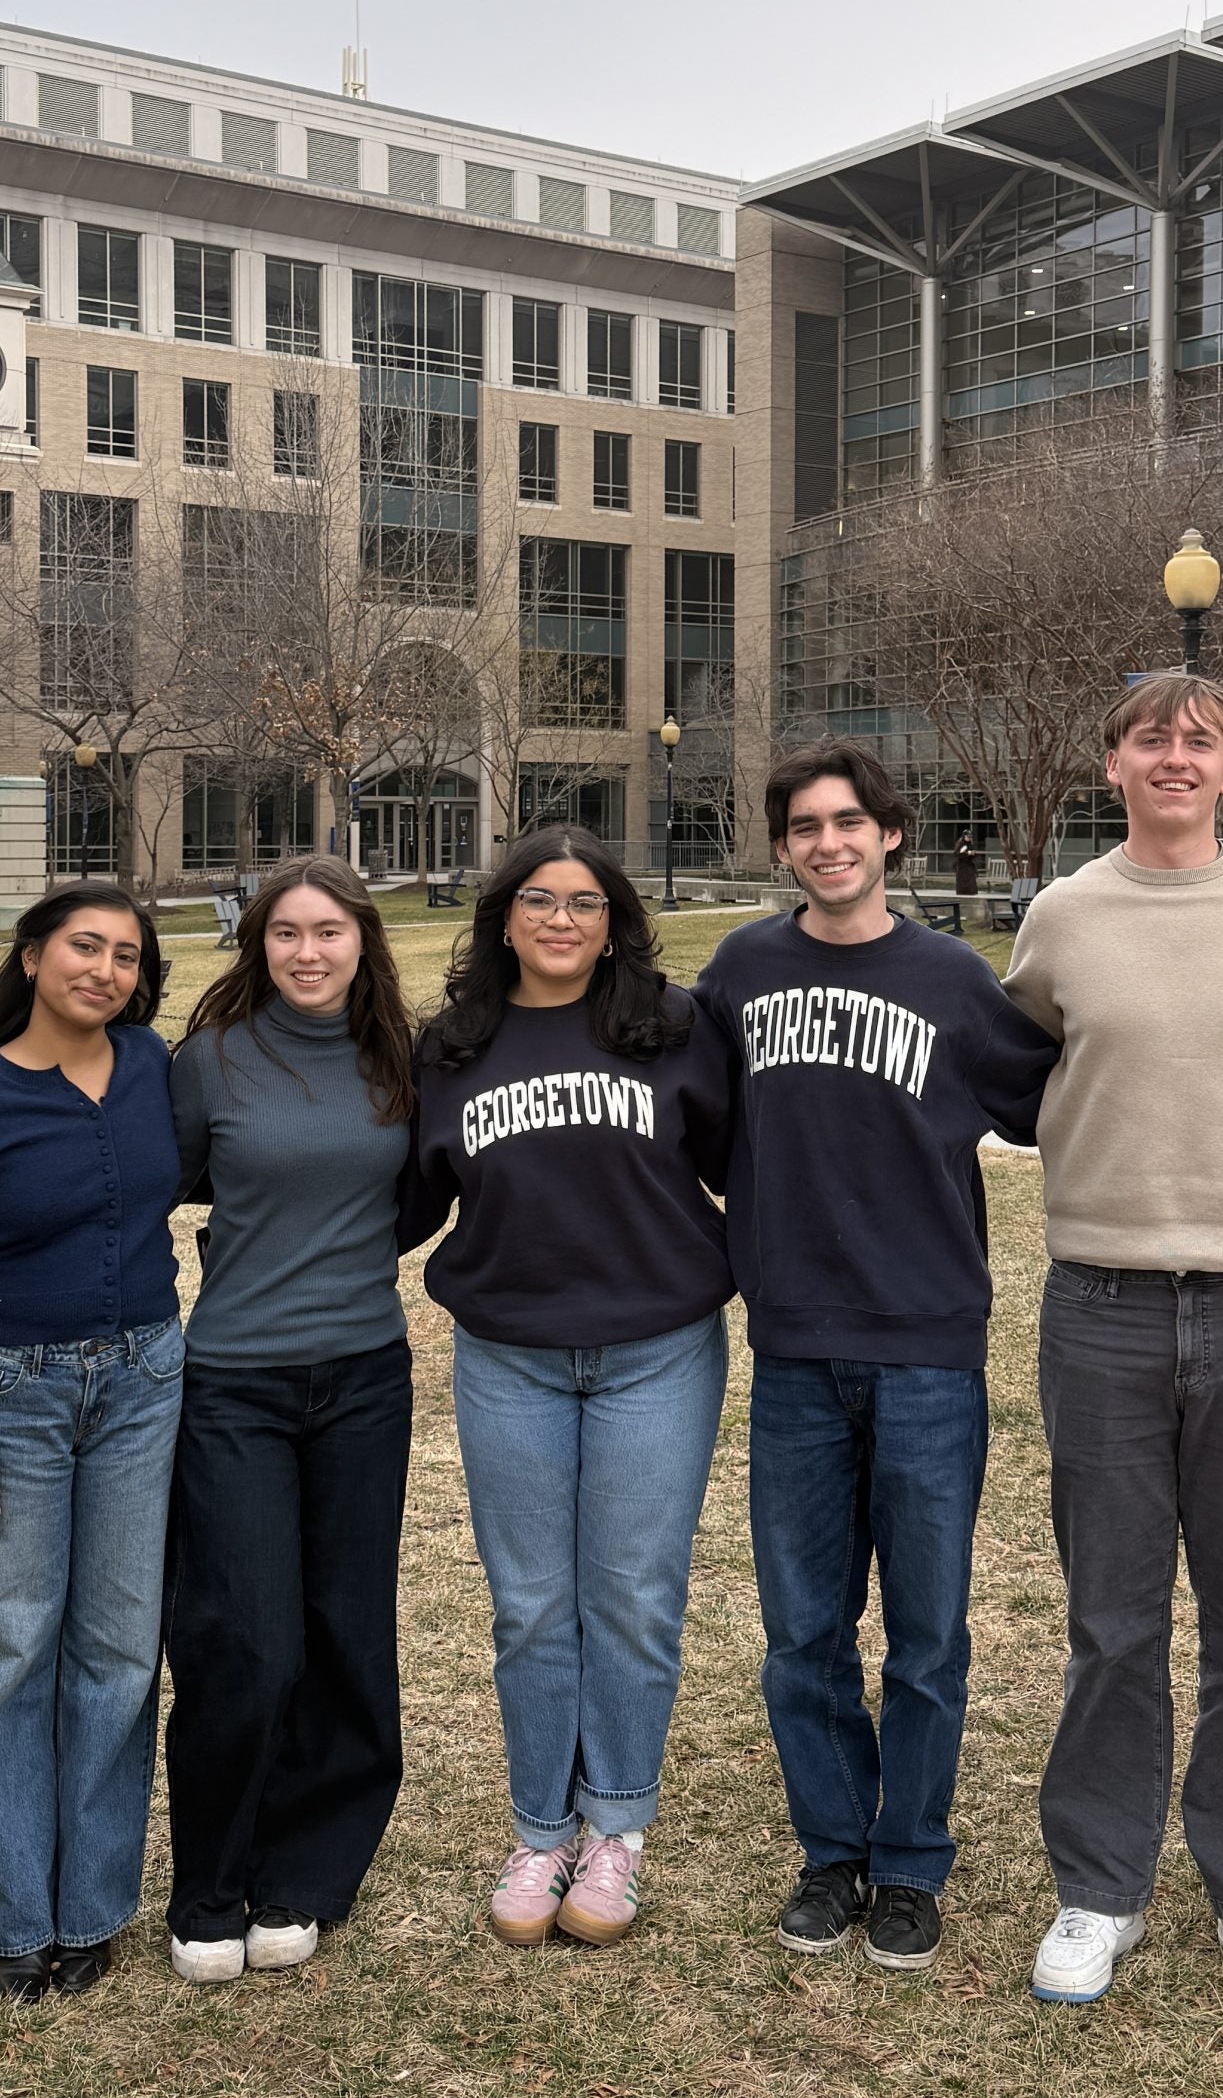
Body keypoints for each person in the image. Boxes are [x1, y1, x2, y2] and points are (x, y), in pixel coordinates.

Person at [694, 743, 1058, 1972]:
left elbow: (1058, 1097)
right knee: (802, 1631)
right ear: (782, 845)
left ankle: (908, 1861)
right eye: (803, 825)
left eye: (848, 820)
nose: (827, 841)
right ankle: (829, 1851)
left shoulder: (951, 976)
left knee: (927, 1632)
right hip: (794, 1348)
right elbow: (682, 1112)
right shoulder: (741, 970)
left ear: (888, 835)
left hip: (926, 1352)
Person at [1003, 672, 1223, 2015]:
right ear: (1110, 763)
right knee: (1112, 1623)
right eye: (1152, 737)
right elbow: (1021, 1065)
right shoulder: (1061, 917)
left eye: (1201, 740)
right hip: (1103, 1304)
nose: (1176, 755)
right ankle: (1102, 1885)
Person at [399, 826, 733, 1951]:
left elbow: (752, 1166)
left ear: (613, 920)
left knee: (633, 1594)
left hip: (658, 1348)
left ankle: (618, 1830)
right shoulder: (449, 1047)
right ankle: (541, 1826)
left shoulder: (675, 1028)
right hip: (509, 1357)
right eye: (538, 899)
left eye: (584, 902)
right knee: (531, 1603)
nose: (559, 918)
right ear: (503, 917)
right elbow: (402, 1200)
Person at [0, 885, 184, 2004]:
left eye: (125, 955)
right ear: (31, 955)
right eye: (84, 945)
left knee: (117, 1651)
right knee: (7, 1655)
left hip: (147, 1379)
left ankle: (94, 1907)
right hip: (11, 1392)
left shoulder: (154, 1065)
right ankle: (17, 1917)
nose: (104, 968)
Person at [162, 857, 417, 1985]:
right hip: (234, 1386)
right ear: (255, 944)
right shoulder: (209, 1060)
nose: (307, 952)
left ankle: (306, 1871)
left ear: (364, 941)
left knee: (347, 1634)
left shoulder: (398, 1058)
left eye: (328, 932)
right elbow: (149, 1189)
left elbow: (420, 1196)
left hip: (365, 1378)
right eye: (284, 934)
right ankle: (211, 1882)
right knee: (244, 1641)